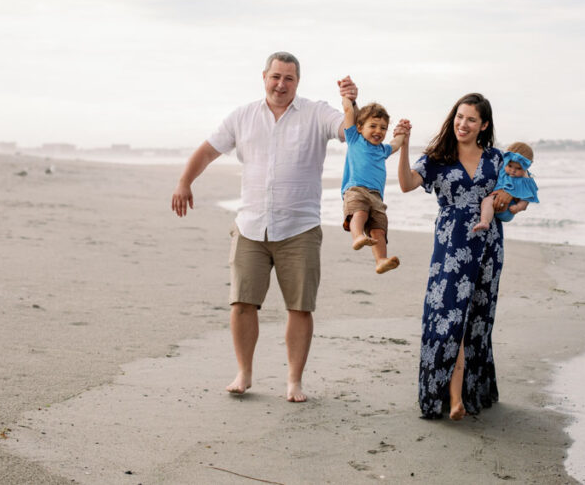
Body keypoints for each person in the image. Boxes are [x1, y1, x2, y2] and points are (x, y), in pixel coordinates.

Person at [170, 52, 357, 403]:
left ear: (297, 82)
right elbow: (208, 151)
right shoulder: (242, 116)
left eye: (288, 78)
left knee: (300, 307)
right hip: (251, 226)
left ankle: (294, 382)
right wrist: (184, 182)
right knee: (242, 303)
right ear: (264, 77)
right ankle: (244, 372)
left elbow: (349, 133)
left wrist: (350, 102)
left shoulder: (316, 113)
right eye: (275, 77)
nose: (281, 84)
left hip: (299, 227)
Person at [396, 93, 512, 420]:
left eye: (471, 119)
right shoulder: (438, 157)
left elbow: (521, 189)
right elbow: (405, 184)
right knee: (448, 319)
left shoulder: (496, 159)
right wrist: (403, 145)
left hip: (488, 244)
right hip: (450, 247)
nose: (463, 124)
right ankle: (445, 397)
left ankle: (470, 395)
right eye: (460, 117)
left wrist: (505, 195)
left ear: (483, 125)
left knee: (477, 321)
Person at [340, 97, 406, 274]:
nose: (378, 131)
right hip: (356, 190)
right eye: (373, 126)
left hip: (376, 197)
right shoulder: (354, 139)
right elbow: (348, 112)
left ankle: (381, 260)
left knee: (379, 228)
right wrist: (347, 97)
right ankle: (358, 236)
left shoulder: (382, 150)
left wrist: (402, 132)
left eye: (383, 128)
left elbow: (396, 144)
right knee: (359, 212)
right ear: (360, 128)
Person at [472, 142, 540, 232]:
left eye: (518, 168)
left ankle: (486, 220)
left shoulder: (526, 180)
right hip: (494, 202)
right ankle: (485, 221)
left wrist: (518, 207)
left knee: (525, 199)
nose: (513, 170)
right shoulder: (503, 168)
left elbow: (529, 197)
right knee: (487, 200)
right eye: (510, 166)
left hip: (509, 210)